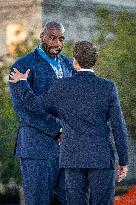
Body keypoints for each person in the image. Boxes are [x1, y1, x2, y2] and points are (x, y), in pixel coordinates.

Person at [9, 41, 128, 205]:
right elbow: (118, 127)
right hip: (101, 158)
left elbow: (34, 104)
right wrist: (123, 160)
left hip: (73, 159)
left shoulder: (62, 86)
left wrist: (22, 83)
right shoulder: (108, 87)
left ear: (74, 61)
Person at [9, 21, 75, 205]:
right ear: (42, 36)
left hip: (68, 151)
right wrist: (59, 129)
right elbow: (25, 109)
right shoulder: (22, 66)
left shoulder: (69, 64)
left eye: (61, 38)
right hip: (37, 150)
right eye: (52, 37)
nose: (57, 43)